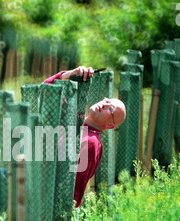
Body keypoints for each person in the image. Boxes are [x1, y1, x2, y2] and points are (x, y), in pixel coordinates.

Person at [44, 66, 126, 208]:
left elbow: (73, 190)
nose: (105, 104)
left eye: (111, 108)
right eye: (107, 100)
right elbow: (44, 92)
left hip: (44, 202)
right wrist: (69, 74)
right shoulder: (75, 119)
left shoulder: (91, 142)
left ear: (110, 126)